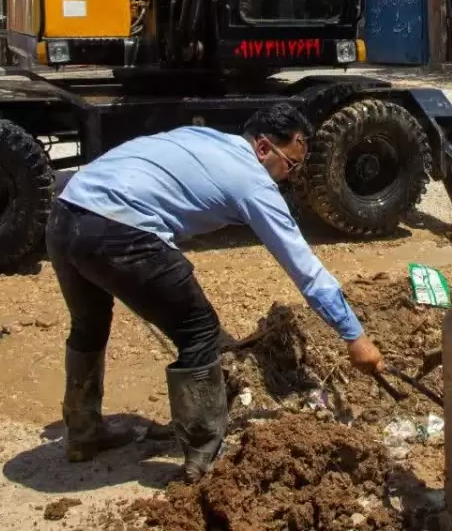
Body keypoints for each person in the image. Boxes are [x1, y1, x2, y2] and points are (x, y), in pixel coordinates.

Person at [46, 104, 385, 482]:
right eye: (290, 165)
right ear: (263, 149)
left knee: (89, 325)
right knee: (199, 330)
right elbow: (305, 270)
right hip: (117, 228)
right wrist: (355, 336)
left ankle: (83, 432)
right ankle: (204, 458)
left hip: (65, 215)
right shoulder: (253, 183)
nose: (288, 179)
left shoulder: (207, 139)